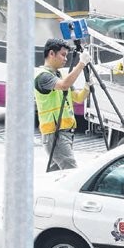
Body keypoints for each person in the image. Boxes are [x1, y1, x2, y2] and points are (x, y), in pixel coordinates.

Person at [35, 39, 89, 171]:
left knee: (57, 175)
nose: (65, 59)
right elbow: (64, 85)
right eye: (63, 55)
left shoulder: (60, 75)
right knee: (71, 171)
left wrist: (88, 86)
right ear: (51, 54)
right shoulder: (43, 77)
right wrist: (81, 63)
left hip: (65, 132)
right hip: (55, 133)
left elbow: (78, 98)